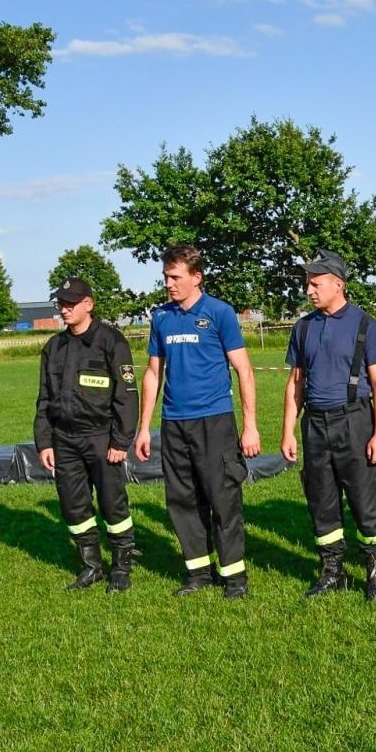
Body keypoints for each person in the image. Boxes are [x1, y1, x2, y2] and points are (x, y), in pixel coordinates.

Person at [134, 245, 260, 599]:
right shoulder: (161, 317)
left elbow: (245, 371)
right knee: (182, 500)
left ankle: (234, 578)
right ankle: (198, 574)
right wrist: (144, 427)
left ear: (195, 277)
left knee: (223, 499)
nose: (168, 284)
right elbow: (152, 374)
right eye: (165, 277)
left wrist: (249, 425)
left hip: (215, 421)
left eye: (175, 277)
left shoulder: (219, 313)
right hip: (174, 424)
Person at [279, 252, 376, 601]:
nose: (309, 290)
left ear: (337, 284)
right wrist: (288, 430)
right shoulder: (303, 327)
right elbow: (295, 383)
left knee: (363, 499)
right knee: (321, 500)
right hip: (315, 423)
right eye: (307, 284)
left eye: (315, 283)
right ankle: (332, 573)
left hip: (354, 421)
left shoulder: (364, 324)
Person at [34, 276, 140, 593]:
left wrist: (121, 441)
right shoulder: (54, 347)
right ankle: (91, 566)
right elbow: (44, 399)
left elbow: (127, 394)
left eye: (70, 303)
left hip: (101, 437)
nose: (64, 309)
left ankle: (121, 568)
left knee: (113, 505)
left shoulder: (111, 341)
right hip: (64, 440)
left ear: (88, 304)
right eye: (61, 304)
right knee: (74, 506)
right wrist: (44, 441)